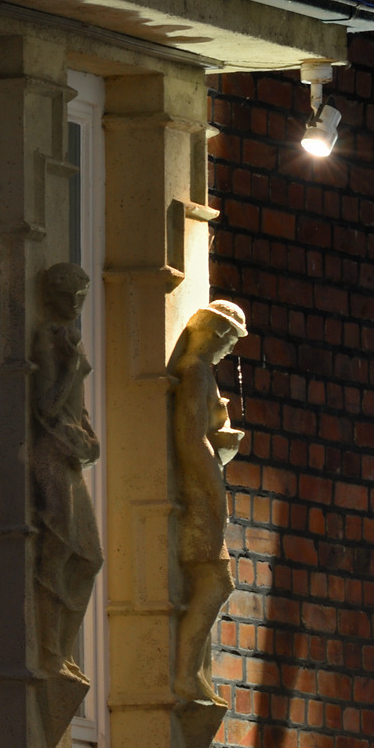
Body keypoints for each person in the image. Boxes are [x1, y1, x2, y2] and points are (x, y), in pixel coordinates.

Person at [170, 299, 247, 704]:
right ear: (216, 333)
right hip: (200, 491)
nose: (231, 349)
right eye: (230, 340)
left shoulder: (202, 373)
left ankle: (193, 673)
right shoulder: (197, 371)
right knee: (216, 581)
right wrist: (214, 489)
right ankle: (185, 675)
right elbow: (190, 436)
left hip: (203, 485)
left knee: (212, 583)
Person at [29, 262, 100, 683]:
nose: (74, 305)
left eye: (80, 297)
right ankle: (50, 652)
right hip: (50, 453)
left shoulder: (71, 337)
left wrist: (89, 436)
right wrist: (70, 364)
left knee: (89, 558)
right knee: (58, 547)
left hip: (71, 452)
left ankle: (65, 648)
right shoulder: (48, 338)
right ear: (50, 296)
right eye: (66, 296)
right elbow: (46, 407)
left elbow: (77, 405)